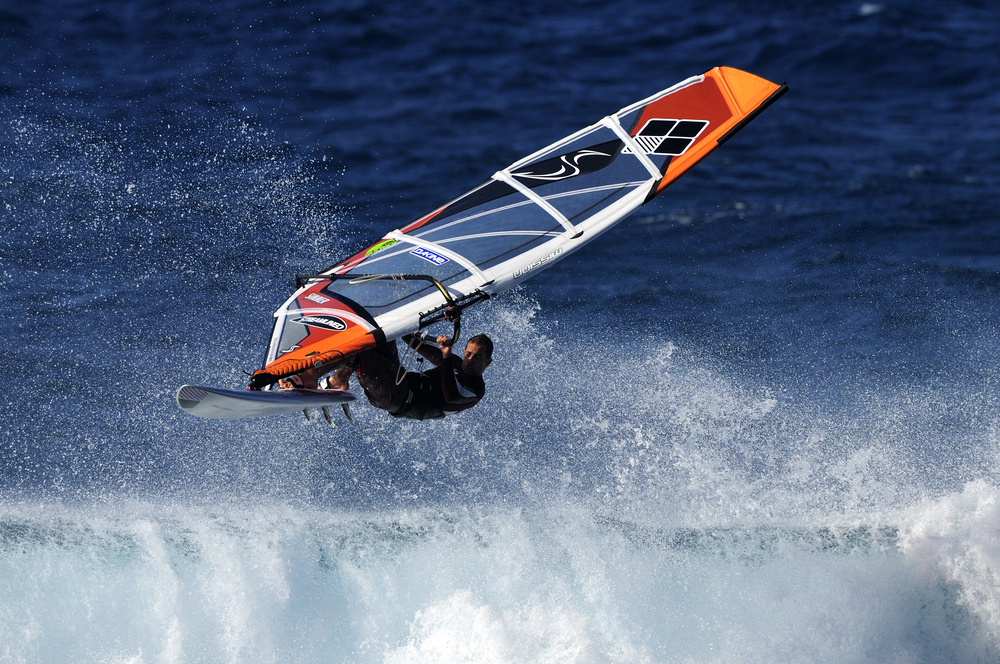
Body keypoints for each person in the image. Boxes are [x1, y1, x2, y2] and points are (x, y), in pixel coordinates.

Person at [343, 334, 493, 420]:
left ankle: (331, 376)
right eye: (468, 354)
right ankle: (341, 378)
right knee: (379, 334)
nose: (470, 360)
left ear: (487, 362)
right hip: (400, 380)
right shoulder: (454, 362)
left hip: (397, 399)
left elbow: (450, 396)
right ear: (464, 352)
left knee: (359, 356)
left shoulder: (476, 390)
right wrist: (404, 323)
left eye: (478, 357)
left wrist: (446, 356)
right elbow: (416, 344)